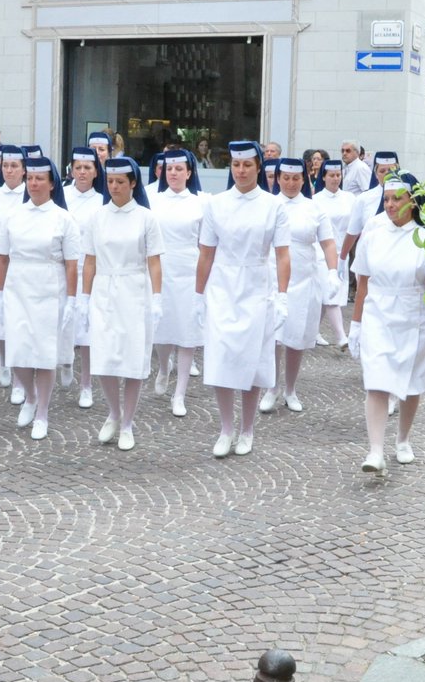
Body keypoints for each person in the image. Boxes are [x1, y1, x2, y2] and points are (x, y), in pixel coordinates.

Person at [195, 141, 291, 458]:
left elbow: (282, 256)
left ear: (258, 167)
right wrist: (199, 295)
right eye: (236, 165)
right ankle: (226, 427)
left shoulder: (273, 205)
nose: (241, 171)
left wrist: (283, 297)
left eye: (247, 165)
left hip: (257, 284)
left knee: (253, 360)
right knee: (222, 357)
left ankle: (247, 428)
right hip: (223, 285)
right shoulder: (216, 204)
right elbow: (206, 253)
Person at [348, 177, 425, 473]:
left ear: (412, 202)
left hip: (413, 314)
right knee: (377, 380)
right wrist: (355, 323)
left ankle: (402, 439)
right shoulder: (372, 236)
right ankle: (375, 450)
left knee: (412, 383)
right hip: (378, 314)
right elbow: (363, 284)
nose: (390, 205)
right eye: (387, 199)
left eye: (397, 199)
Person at [0, 157, 80, 440]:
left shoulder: (63, 218)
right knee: (17, 350)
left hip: (49, 287)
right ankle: (29, 396)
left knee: (44, 353)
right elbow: (3, 258)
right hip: (18, 285)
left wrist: (70, 299)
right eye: (30, 178)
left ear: (52, 183)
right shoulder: (13, 216)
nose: (33, 183)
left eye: (40, 178)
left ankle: (42, 411)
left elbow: (71, 264)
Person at [83, 157, 165, 450]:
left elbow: (153, 261)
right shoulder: (96, 217)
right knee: (104, 357)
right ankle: (113, 413)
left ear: (133, 183)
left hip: (134, 289)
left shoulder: (146, 217)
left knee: (132, 359)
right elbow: (89, 260)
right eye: (110, 182)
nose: (114, 187)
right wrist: (84, 296)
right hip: (105, 288)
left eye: (120, 182)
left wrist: (156, 297)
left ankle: (128, 422)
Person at [260, 157, 336, 413]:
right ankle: (271, 387)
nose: (291, 183)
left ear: (304, 179)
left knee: (295, 337)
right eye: (286, 178)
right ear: (278, 178)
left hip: (304, 278)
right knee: (272, 337)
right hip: (271, 275)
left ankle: (290, 389)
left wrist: (334, 271)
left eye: (296, 178)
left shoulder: (314, 209)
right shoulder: (268, 205)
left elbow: (327, 242)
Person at [151, 149, 207, 416]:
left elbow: (205, 243)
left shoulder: (201, 203)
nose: (173, 173)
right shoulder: (153, 201)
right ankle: (163, 367)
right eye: (169, 169)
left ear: (189, 172)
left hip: (189, 270)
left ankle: (180, 393)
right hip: (161, 269)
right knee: (162, 329)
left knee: (188, 333)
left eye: (179, 169)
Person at [64, 146, 108, 408]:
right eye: (78, 167)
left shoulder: (101, 200)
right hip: (65, 268)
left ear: (95, 172)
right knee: (65, 322)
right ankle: (66, 361)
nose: (82, 172)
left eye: (87, 168)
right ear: (71, 169)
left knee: (87, 330)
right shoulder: (61, 197)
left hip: (91, 269)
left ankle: (87, 385)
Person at [0, 145, 30, 401]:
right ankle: (3, 360)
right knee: (1, 318)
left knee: (20, 321)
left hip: (24, 263)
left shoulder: (31, 193)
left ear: (24, 170)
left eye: (14, 166)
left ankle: (19, 379)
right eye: (5, 166)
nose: (10, 170)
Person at [316, 160, 354, 348]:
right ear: (323, 176)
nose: (335, 178)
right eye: (331, 175)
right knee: (331, 294)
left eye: (338, 175)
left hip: (342, 252)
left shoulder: (349, 198)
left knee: (328, 294)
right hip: (321, 252)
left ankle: (313, 330)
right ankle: (341, 337)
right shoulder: (315, 200)